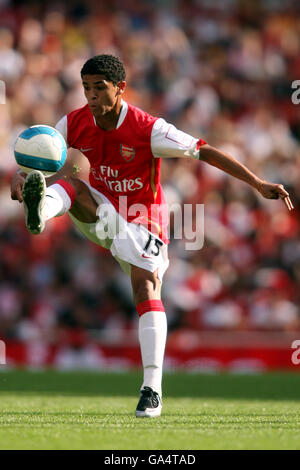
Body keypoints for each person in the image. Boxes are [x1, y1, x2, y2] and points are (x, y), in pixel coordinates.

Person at [11, 55, 293, 418]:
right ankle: (41, 213)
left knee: (145, 287)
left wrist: (257, 183)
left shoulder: (147, 128)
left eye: (100, 88)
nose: (92, 96)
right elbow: (40, 157)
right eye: (86, 88)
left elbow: (202, 150)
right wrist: (23, 179)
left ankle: (152, 390)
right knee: (73, 186)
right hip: (98, 211)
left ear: (120, 88)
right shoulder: (73, 122)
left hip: (142, 223)